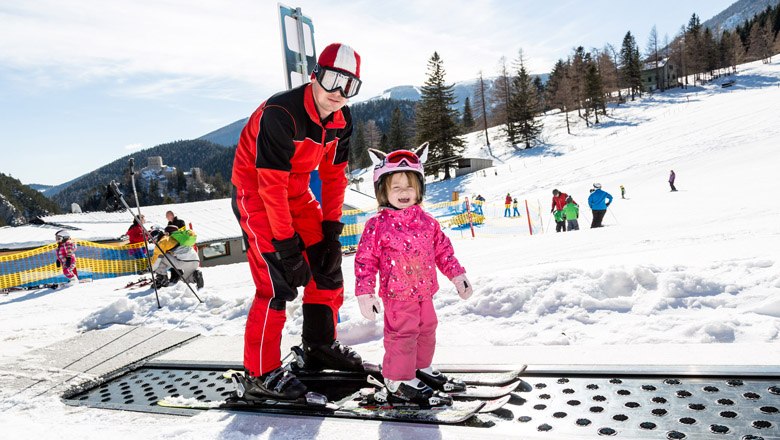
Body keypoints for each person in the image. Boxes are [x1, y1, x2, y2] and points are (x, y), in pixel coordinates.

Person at [230, 43, 363, 400]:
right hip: (256, 194)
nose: (338, 93)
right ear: (314, 75)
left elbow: (334, 176)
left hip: (298, 194)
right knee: (277, 285)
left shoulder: (342, 120)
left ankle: (318, 348)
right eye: (333, 80)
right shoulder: (281, 112)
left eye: (349, 85)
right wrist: (286, 246)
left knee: (327, 268)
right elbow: (269, 183)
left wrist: (331, 231)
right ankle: (260, 374)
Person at [355, 145, 472, 406]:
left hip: (424, 292)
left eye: (409, 186)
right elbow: (365, 260)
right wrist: (365, 292)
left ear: (420, 189)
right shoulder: (377, 226)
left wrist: (457, 275)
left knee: (427, 330)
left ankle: (420, 369)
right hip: (397, 296)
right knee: (403, 335)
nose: (404, 192)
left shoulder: (428, 222)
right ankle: (398, 380)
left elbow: (443, 252)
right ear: (382, 192)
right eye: (396, 187)